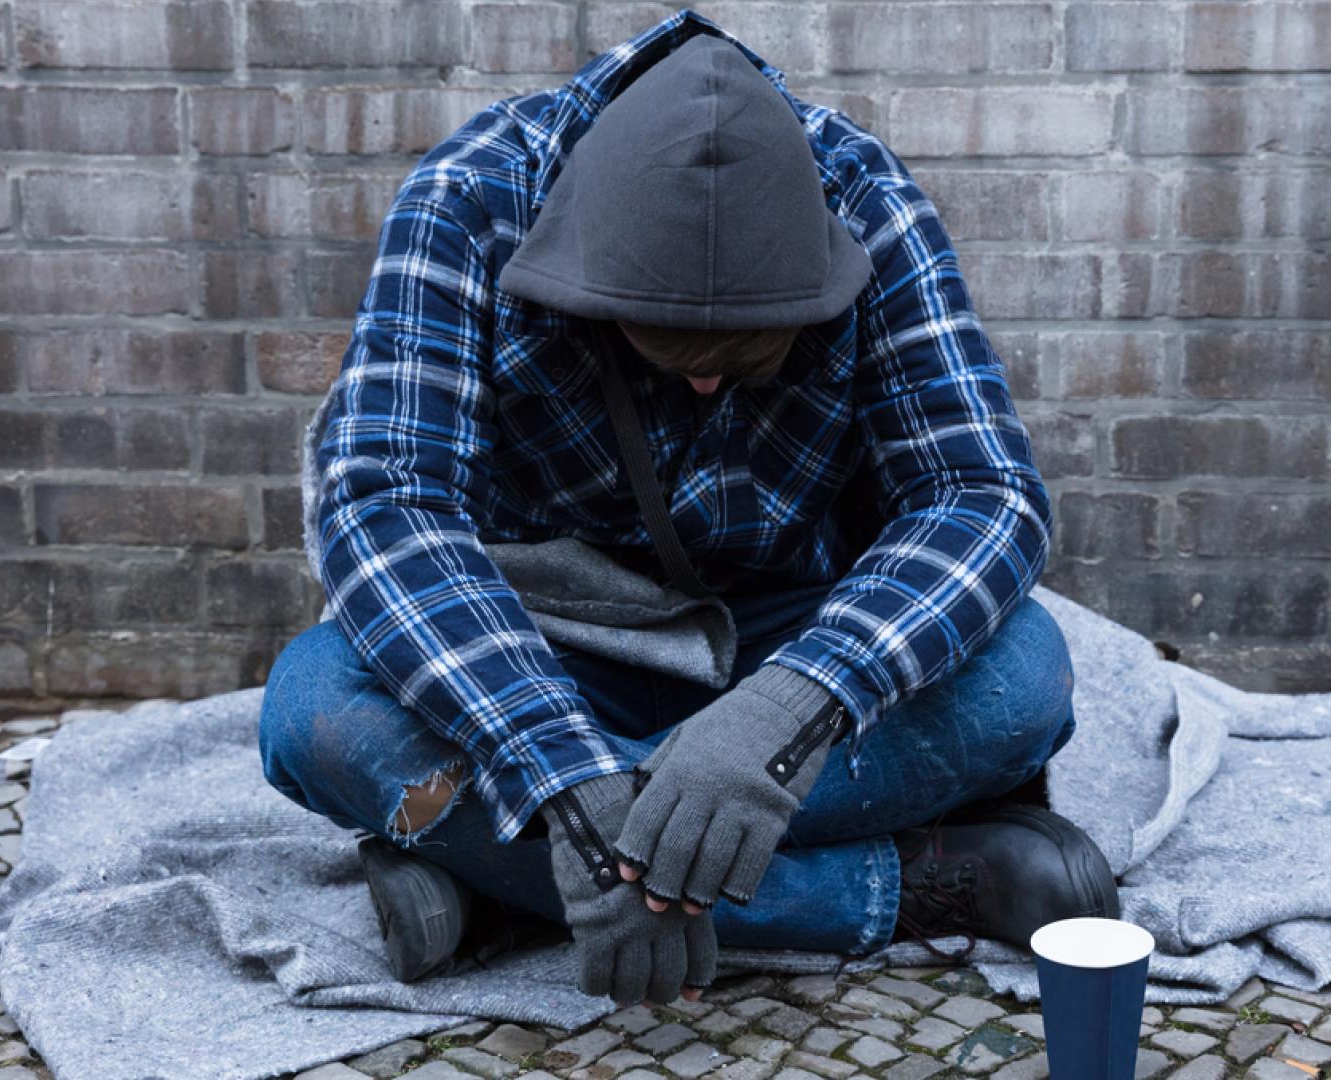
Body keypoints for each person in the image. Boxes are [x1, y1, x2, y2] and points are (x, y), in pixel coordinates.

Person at [256, 11, 1118, 1009]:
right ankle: (904, 882)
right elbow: (388, 505)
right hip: (545, 645)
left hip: (793, 626)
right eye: (670, 350)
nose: (706, 387)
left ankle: (506, 881)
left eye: (747, 351)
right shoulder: (465, 200)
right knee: (309, 710)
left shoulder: (864, 196)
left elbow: (981, 494)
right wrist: (560, 776)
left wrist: (790, 713)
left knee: (1028, 678)